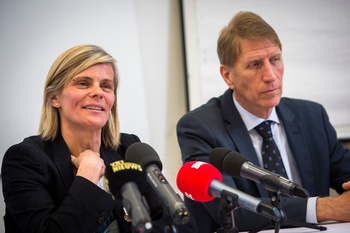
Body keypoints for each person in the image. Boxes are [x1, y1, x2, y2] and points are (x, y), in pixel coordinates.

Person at [176, 11, 350, 232]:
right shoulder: (199, 128)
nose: (271, 75)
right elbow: (229, 211)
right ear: (228, 75)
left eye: (275, 59)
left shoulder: (312, 115)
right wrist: (326, 208)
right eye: (255, 64)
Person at [1, 44, 195, 233]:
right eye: (83, 83)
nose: (98, 92)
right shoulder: (24, 160)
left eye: (106, 86)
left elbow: (178, 222)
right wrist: (87, 176)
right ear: (54, 98)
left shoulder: (129, 149)